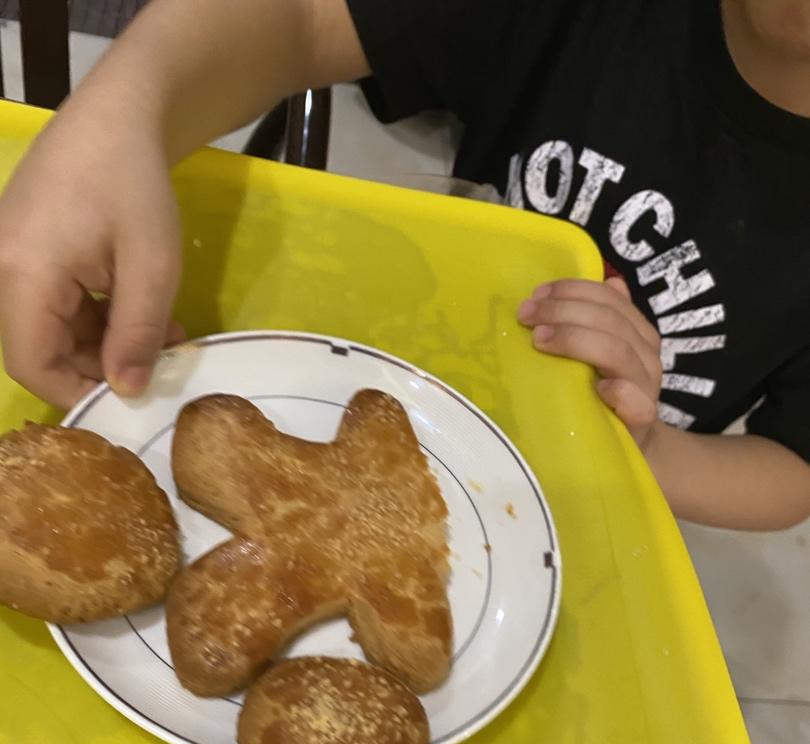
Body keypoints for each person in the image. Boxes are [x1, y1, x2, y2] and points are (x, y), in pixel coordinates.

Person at [0, 0, 808, 530]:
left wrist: (652, 453)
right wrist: (121, 116)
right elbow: (301, 19)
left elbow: (792, 466)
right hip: (432, 382)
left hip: (611, 494)